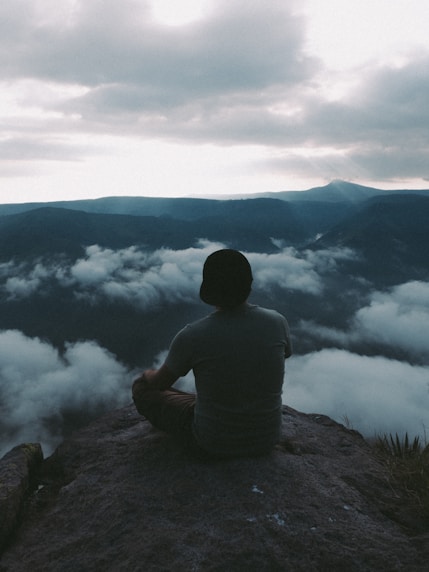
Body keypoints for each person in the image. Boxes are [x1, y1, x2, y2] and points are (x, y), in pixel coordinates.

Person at [132, 248, 292, 459]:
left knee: (142, 388)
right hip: (266, 439)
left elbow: (159, 384)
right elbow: (284, 354)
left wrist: (148, 374)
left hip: (211, 443)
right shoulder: (277, 322)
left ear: (208, 288)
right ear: (249, 284)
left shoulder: (193, 335)